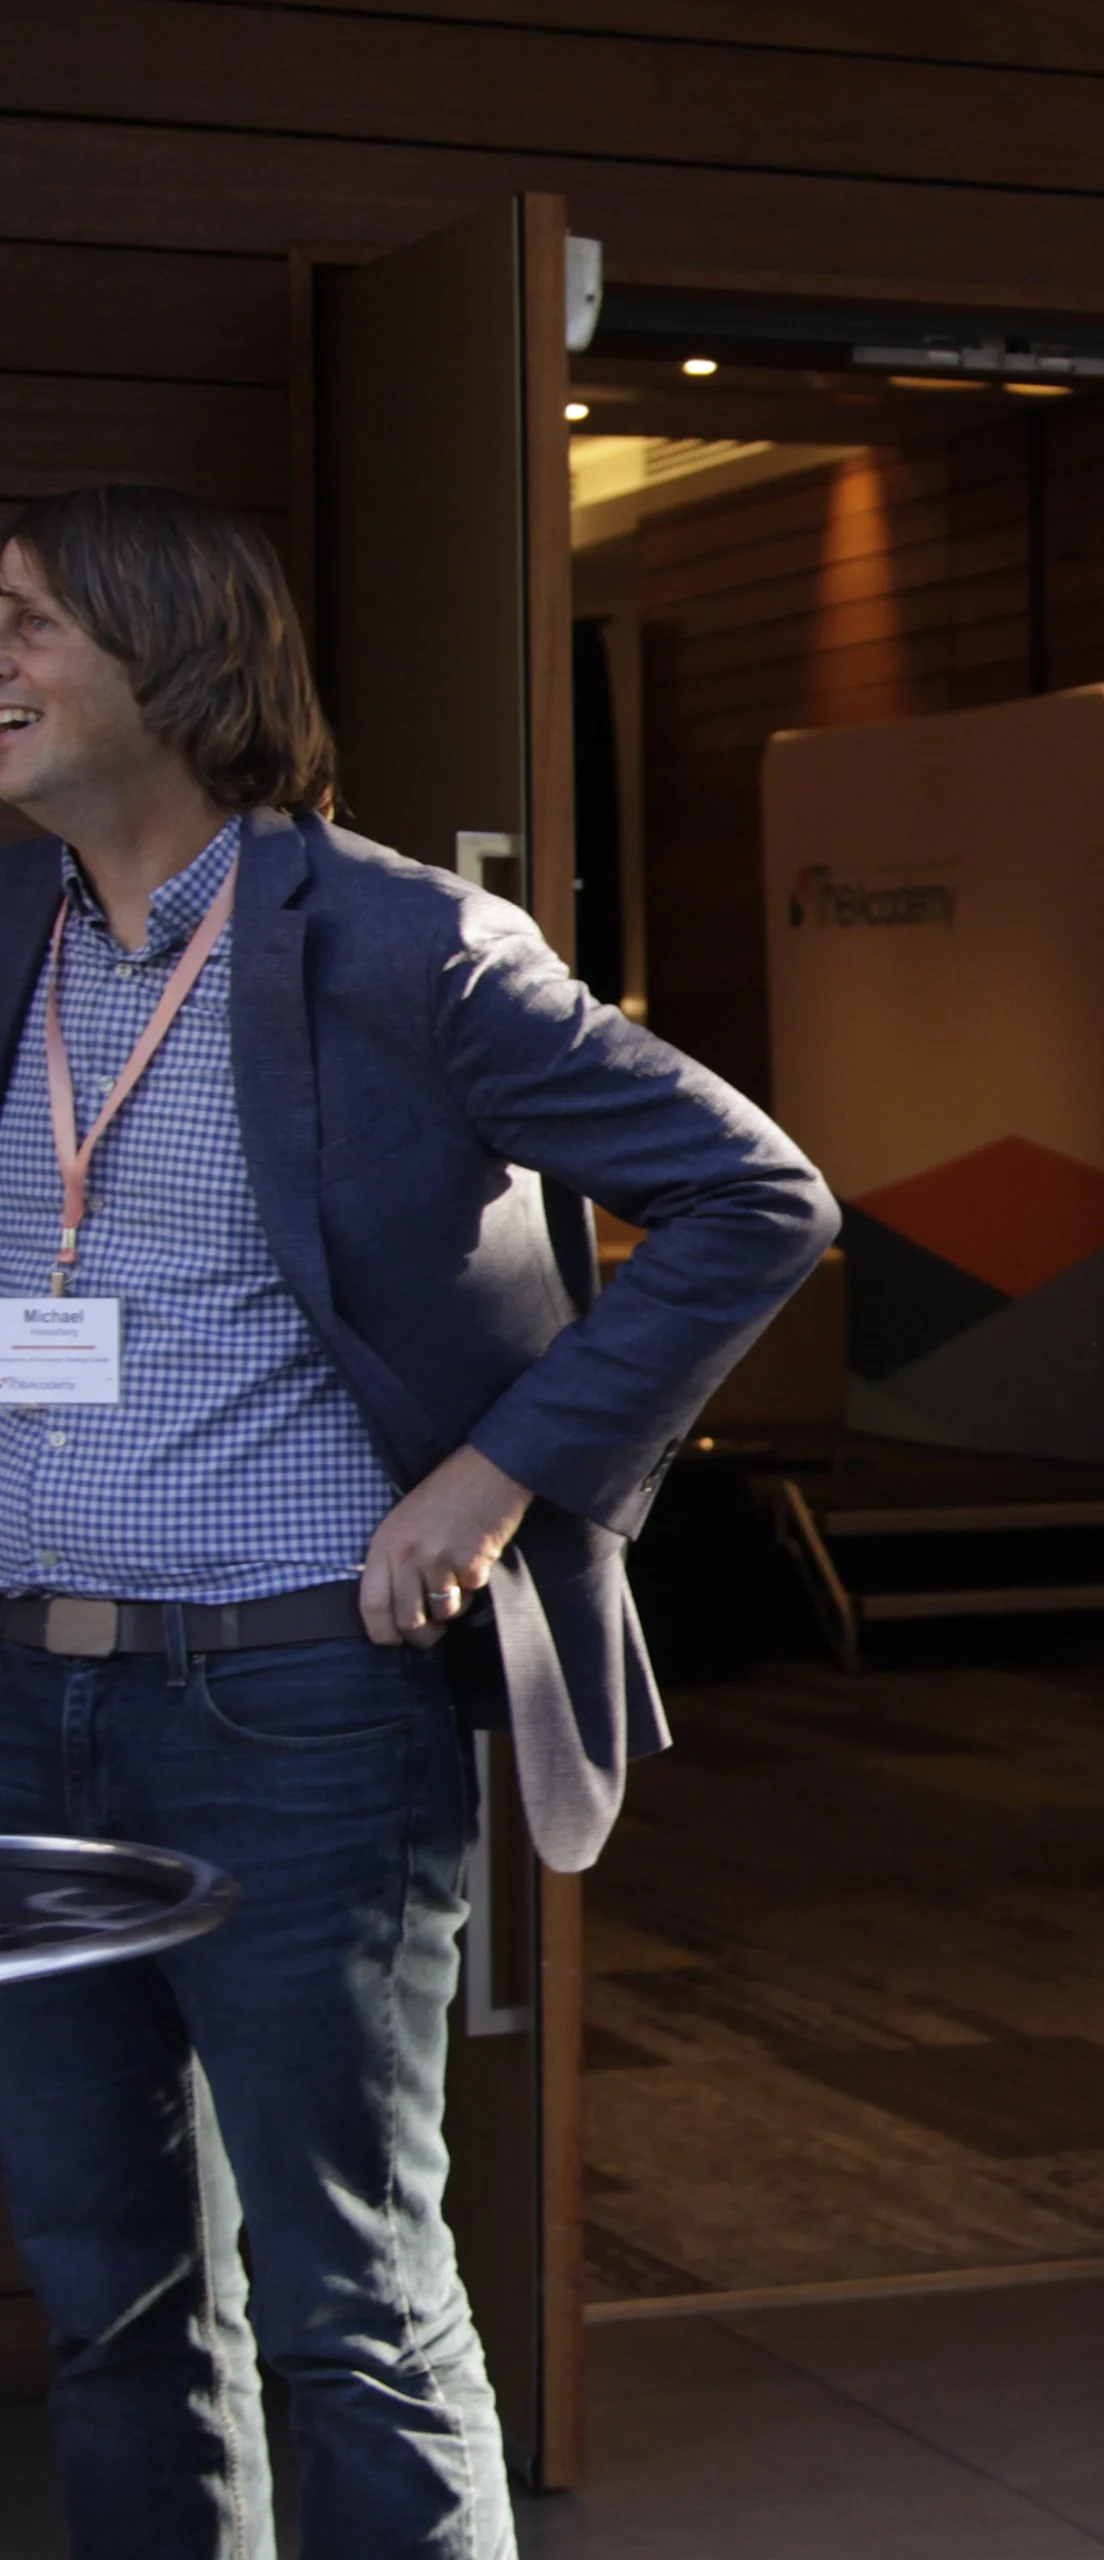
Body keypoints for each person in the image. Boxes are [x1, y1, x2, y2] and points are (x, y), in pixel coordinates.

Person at [0, 483, 838, 2557]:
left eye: (21, 622)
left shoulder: (401, 945)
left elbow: (762, 1199)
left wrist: (496, 1474)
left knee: (351, 2306)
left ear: (173, 658)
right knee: (110, 2301)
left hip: (296, 1715)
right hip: (36, 1712)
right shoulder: (16, 939)